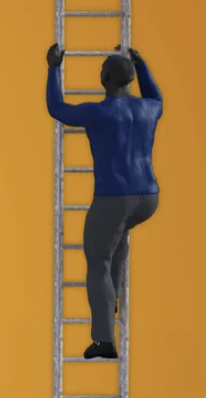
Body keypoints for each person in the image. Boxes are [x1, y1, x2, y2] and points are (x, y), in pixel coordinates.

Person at [45, 42, 162, 360]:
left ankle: (103, 341)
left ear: (106, 78)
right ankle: (109, 301)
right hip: (148, 198)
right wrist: (141, 64)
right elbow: (157, 96)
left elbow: (57, 108)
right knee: (117, 244)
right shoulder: (149, 108)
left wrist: (53, 68)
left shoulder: (99, 112)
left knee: (98, 261)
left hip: (114, 197)